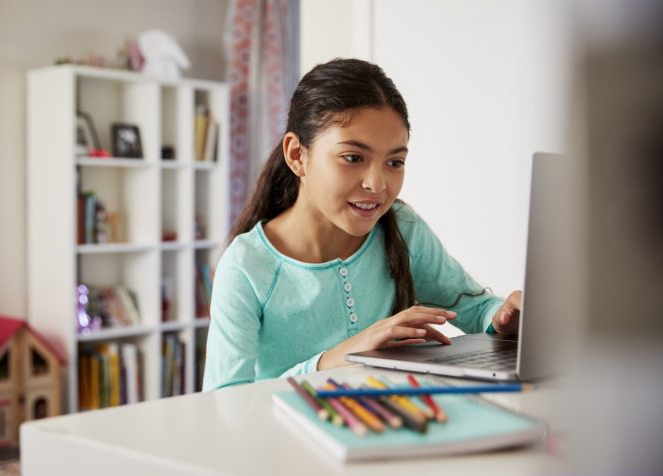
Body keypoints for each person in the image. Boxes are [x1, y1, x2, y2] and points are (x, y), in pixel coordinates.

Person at [203, 58, 522, 391]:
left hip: (388, 429)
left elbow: (473, 306)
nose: (378, 183)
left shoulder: (402, 229)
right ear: (298, 155)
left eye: (395, 162)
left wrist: (501, 316)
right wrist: (336, 358)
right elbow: (224, 403)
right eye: (354, 158)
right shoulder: (246, 267)